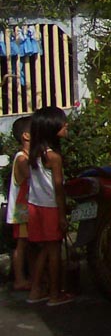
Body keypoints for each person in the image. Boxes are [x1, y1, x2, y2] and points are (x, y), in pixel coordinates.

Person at [27, 106, 74, 306]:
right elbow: (58, 188)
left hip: (34, 206)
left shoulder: (35, 153)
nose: (66, 125)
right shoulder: (54, 157)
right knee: (54, 251)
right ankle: (55, 294)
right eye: (62, 123)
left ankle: (36, 290)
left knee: (45, 250)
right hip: (50, 208)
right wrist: (63, 216)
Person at [6, 115, 32, 291]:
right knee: (22, 244)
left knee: (28, 243)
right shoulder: (22, 158)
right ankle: (20, 279)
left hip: (26, 207)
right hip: (22, 209)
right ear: (26, 136)